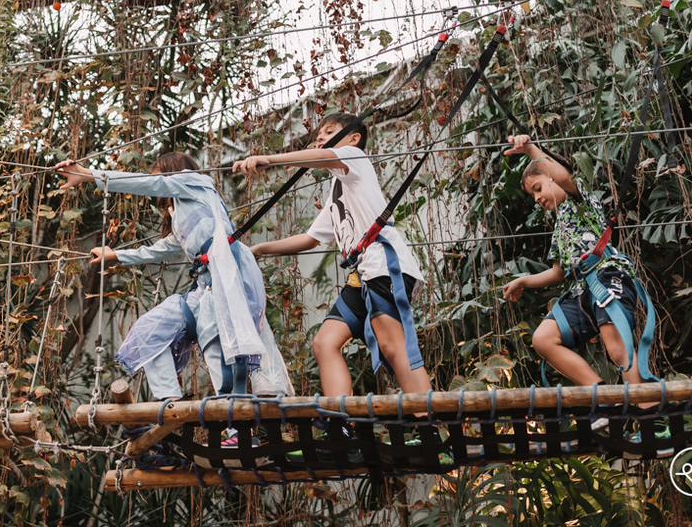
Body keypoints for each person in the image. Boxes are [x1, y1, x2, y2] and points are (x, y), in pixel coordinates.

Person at [55, 152, 292, 410]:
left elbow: (153, 184)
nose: (155, 183)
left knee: (216, 342)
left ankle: (233, 417)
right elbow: (161, 248)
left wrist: (89, 174)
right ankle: (170, 402)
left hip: (227, 272)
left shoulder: (195, 182)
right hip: (204, 283)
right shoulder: (181, 209)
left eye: (158, 175)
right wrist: (117, 255)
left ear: (173, 170)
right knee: (151, 329)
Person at [233, 113, 431, 412]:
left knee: (392, 345)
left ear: (353, 138)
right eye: (319, 133)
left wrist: (269, 159)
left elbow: (323, 155)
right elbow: (311, 238)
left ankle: (428, 422)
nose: (321, 137)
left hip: (385, 265)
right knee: (325, 343)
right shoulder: (338, 191)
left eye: (330, 131)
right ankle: (342, 423)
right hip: (363, 274)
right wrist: (258, 250)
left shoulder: (355, 158)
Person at [501, 133, 657, 394]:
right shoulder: (559, 228)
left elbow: (563, 177)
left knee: (618, 348)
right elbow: (557, 273)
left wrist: (531, 150)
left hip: (607, 277)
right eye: (532, 195)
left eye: (538, 188)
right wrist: (523, 281)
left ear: (552, 176)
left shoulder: (580, 199)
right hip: (582, 291)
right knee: (543, 339)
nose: (537, 198)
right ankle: (602, 396)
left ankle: (650, 411)